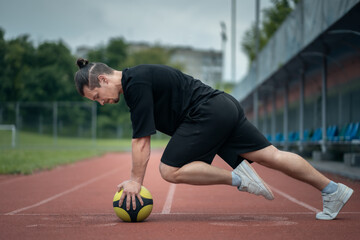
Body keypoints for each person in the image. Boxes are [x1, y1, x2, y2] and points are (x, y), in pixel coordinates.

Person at [74, 58, 353, 220]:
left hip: (206, 113)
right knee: (271, 155)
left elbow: (141, 141)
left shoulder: (135, 83)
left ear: (103, 80)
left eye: (97, 97)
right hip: (221, 106)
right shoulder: (139, 80)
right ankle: (332, 190)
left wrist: (136, 181)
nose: (101, 103)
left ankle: (241, 179)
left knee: (169, 170)